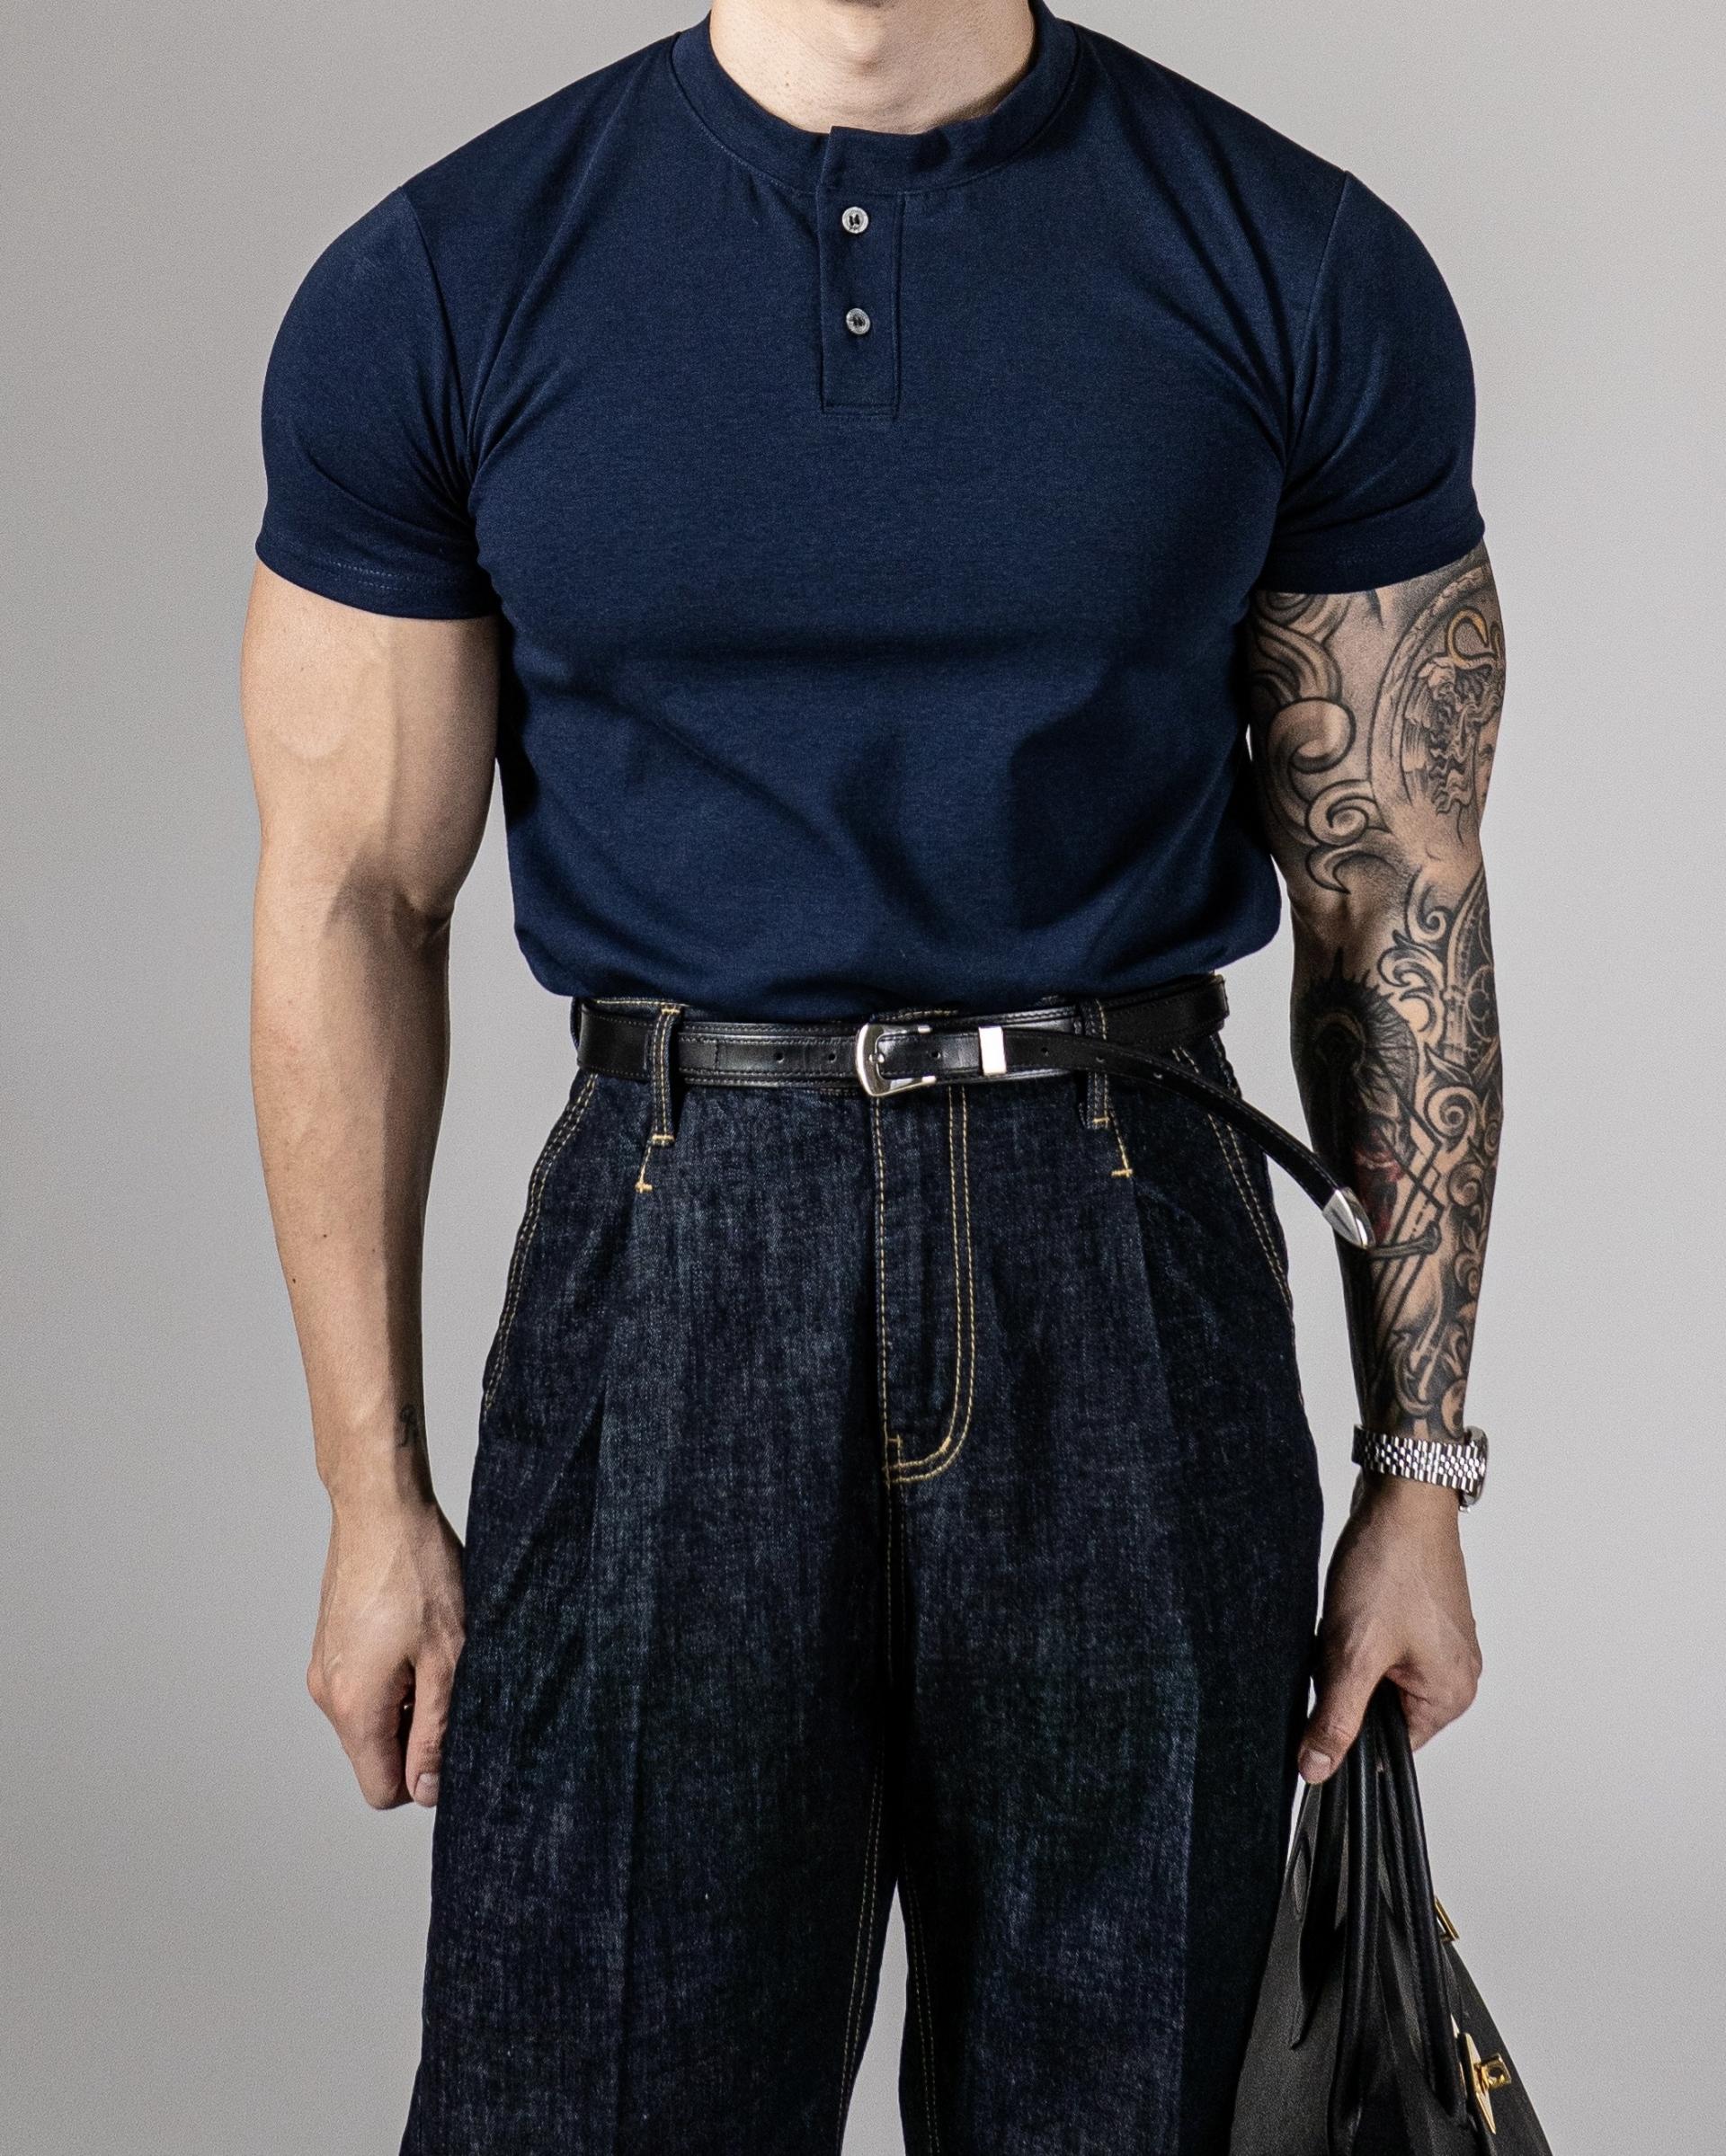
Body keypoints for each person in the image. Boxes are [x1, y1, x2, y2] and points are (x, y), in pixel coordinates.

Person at [240, 0, 1504, 2148]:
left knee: (1131, 2103)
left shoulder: (1292, 258)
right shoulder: (446, 277)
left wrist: (1419, 1476)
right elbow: (353, 899)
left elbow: (1399, 893)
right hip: (673, 1240)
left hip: (1124, 1237)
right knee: (592, 2093)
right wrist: (373, 1500)